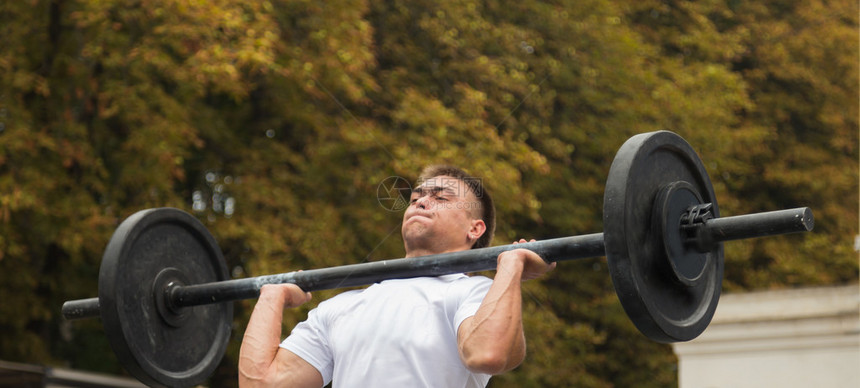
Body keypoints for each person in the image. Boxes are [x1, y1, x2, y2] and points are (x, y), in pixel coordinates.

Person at [238, 165, 556, 387]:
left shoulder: (471, 293)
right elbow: (262, 384)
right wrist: (271, 295)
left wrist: (511, 266)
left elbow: (488, 355)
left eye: (441, 197)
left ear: (474, 229)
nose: (420, 202)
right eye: (416, 198)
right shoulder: (342, 307)